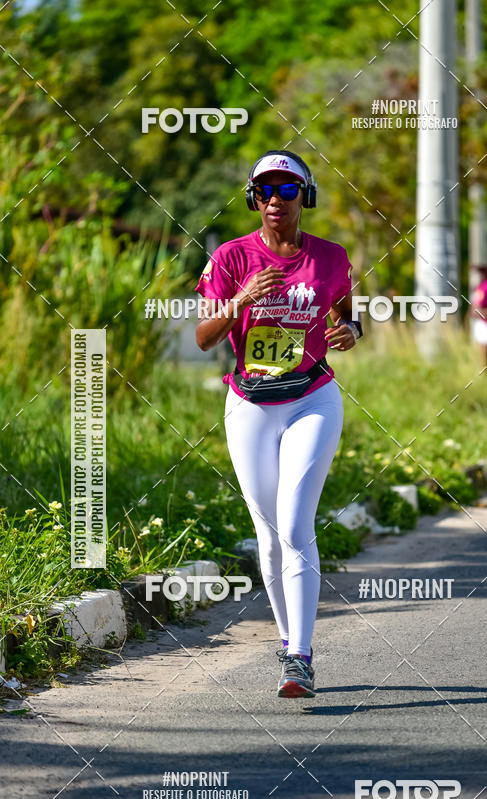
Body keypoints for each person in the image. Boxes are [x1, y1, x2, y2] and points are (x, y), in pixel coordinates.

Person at [194, 150, 361, 698]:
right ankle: (288, 643)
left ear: (304, 197)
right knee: (267, 533)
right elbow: (204, 338)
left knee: (294, 524)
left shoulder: (331, 258)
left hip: (312, 398)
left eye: (287, 190)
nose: (274, 200)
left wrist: (351, 332)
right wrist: (240, 300)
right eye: (264, 190)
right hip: (249, 404)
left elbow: (346, 314)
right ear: (252, 197)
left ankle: (302, 656)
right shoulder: (231, 256)